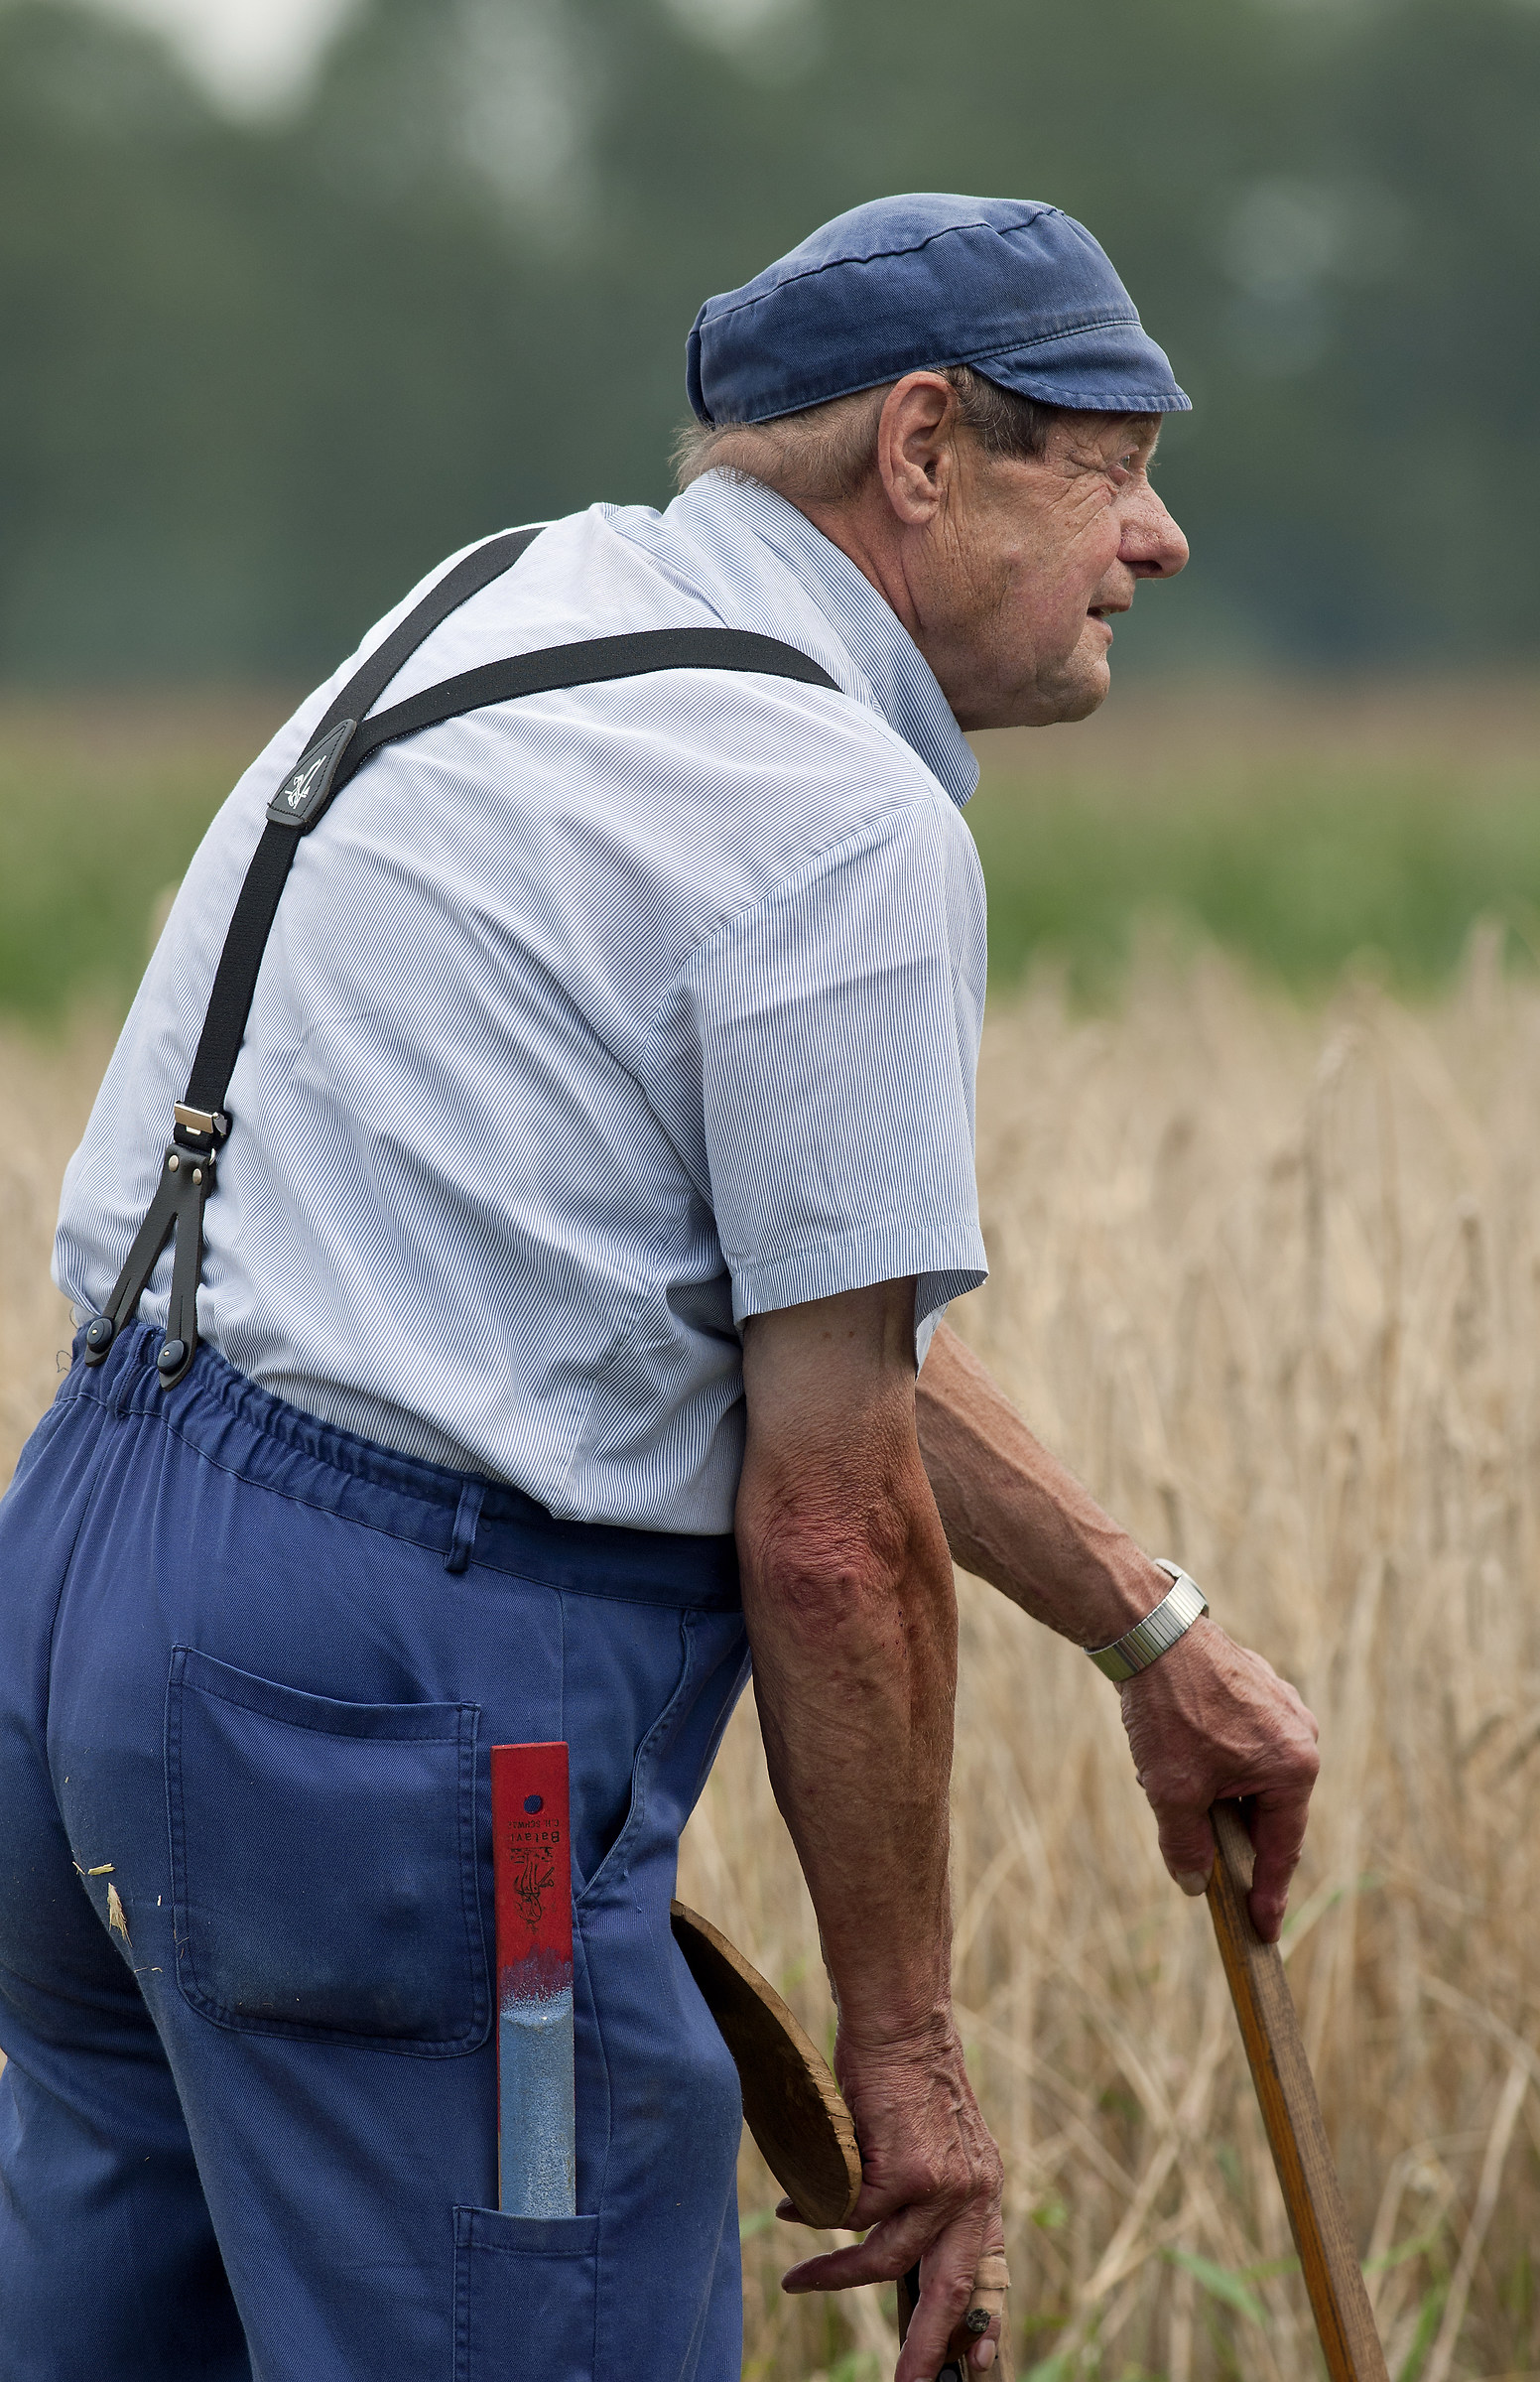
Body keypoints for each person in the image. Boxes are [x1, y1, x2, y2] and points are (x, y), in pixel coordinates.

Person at [0, 194, 1318, 2382]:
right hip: (401, 1720)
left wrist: (1141, 1632)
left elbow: (802, 1331)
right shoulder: (834, 815)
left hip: (78, 1618)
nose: (1154, 540)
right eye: (1111, 463)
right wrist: (908, 2070)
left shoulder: (493, 602)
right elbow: (829, 1529)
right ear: (919, 453)